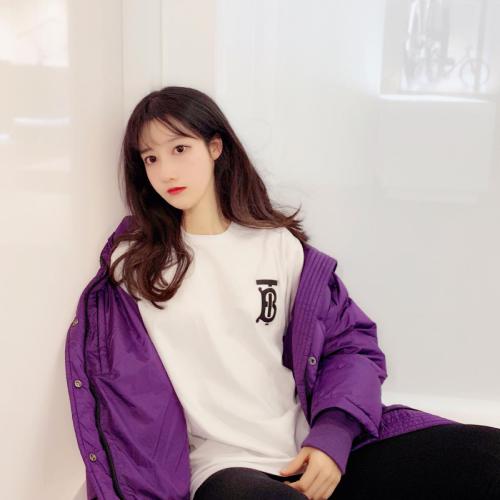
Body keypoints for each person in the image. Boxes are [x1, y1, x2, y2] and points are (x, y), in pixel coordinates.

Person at [93, 86, 500, 499]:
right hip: (226, 468)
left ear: (215, 147)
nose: (166, 172)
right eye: (151, 158)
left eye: (180, 149)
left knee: (487, 455)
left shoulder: (277, 245)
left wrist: (332, 437)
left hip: (311, 450)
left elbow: (350, 345)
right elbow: (120, 396)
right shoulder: (134, 266)